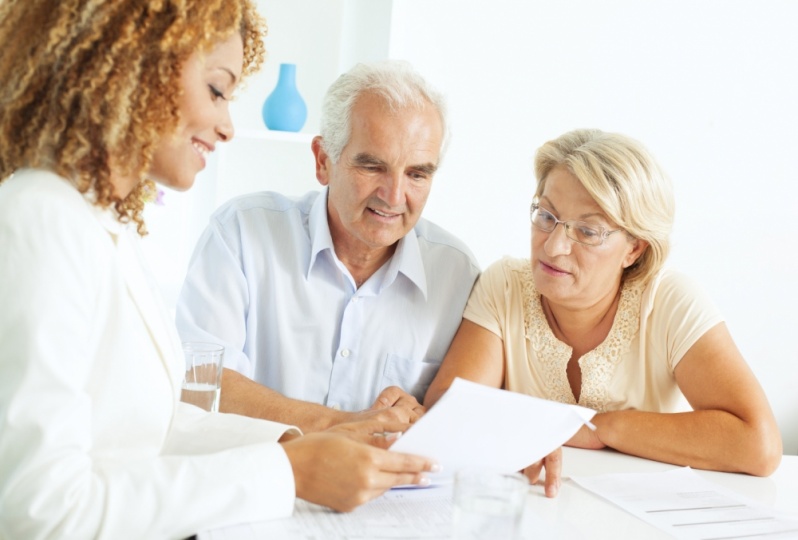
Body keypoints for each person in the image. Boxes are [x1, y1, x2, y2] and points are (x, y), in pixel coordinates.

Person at [0, 2, 439, 538]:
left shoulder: (97, 225)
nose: (228, 125)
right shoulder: (41, 219)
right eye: (216, 89)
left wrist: (297, 445)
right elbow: (37, 511)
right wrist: (289, 472)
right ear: (133, 74)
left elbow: (156, 424)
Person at [425, 129, 783, 478]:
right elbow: (447, 409)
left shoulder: (669, 301)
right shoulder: (504, 285)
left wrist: (597, 427)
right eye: (547, 216)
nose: (553, 247)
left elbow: (759, 445)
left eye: (587, 231)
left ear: (634, 248)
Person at [175, 60, 481, 432]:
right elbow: (202, 381)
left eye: (417, 174)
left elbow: (459, 418)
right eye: (372, 167)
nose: (394, 196)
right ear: (323, 161)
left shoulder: (458, 275)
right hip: (256, 480)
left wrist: (419, 417)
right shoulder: (240, 233)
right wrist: (343, 427)